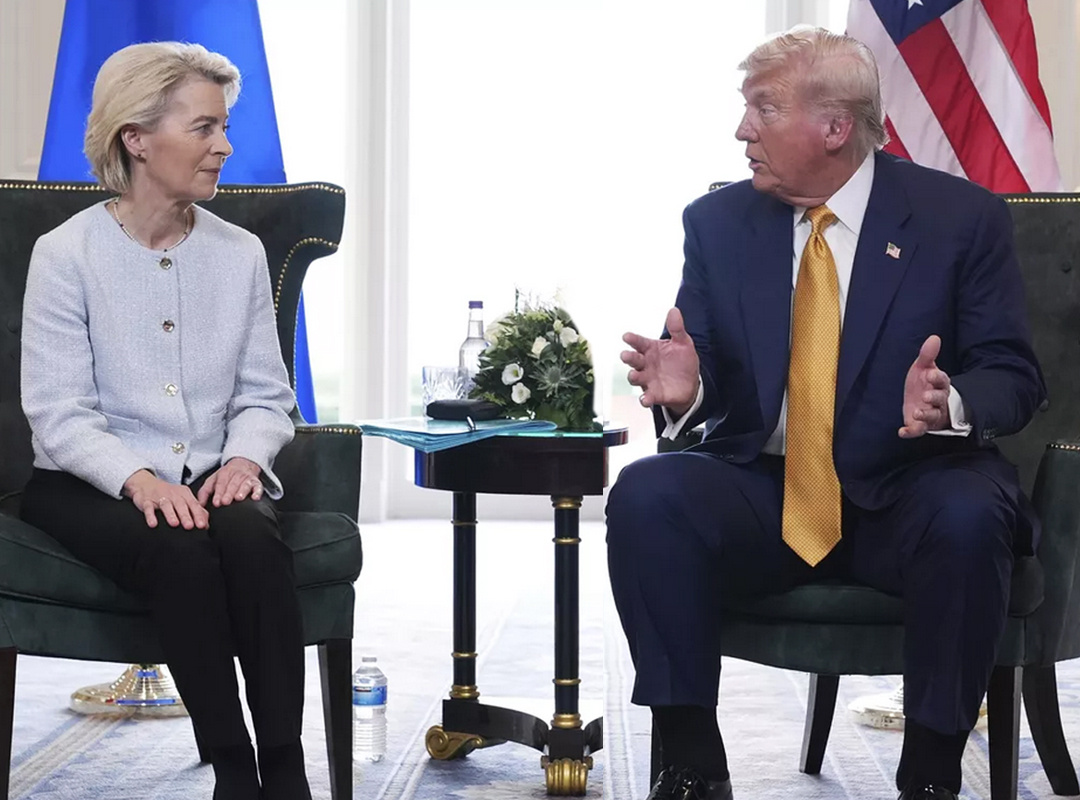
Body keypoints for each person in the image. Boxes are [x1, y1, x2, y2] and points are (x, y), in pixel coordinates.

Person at [607, 26, 1044, 800]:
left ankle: (934, 773)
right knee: (648, 494)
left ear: (835, 127)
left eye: (762, 109)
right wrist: (688, 390)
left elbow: (1014, 374)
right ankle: (690, 764)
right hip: (767, 490)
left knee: (972, 514)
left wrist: (953, 402)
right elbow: (697, 359)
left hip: (911, 485)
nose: (743, 130)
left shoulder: (959, 219)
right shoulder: (718, 224)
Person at [20, 42, 309, 800]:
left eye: (224, 127)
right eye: (205, 127)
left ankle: (284, 768)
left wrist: (245, 460)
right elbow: (57, 410)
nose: (225, 146)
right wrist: (139, 478)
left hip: (213, 469)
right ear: (136, 138)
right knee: (179, 545)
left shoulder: (240, 254)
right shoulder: (65, 254)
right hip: (86, 479)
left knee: (249, 533)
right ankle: (234, 772)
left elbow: (265, 394)